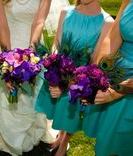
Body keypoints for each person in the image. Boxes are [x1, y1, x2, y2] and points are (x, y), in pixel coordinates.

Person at [0, 0, 64, 155]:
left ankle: (34, 131)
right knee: (3, 90)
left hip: (33, 46)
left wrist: (30, 58)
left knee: (35, 92)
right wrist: (8, 63)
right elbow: (3, 27)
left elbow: (39, 21)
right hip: (10, 44)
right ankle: (8, 135)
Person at [46, 0, 114, 155]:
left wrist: (74, 80)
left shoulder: (107, 22)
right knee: (62, 110)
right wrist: (54, 64)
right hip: (59, 72)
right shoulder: (65, 12)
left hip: (79, 78)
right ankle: (59, 136)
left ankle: (64, 142)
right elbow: (57, 43)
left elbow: (96, 59)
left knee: (73, 113)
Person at [90, 0, 133, 154]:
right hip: (118, 73)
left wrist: (117, 91)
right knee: (108, 142)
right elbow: (112, 37)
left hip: (127, 88)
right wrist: (99, 74)